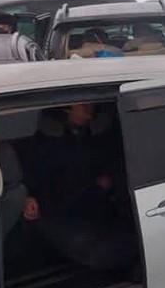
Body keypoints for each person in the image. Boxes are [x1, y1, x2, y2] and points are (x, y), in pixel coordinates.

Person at [23, 103, 136, 271]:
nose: (89, 113)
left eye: (91, 108)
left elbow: (110, 167)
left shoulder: (96, 137)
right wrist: (28, 196)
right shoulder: (43, 142)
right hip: (54, 207)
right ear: (65, 109)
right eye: (83, 107)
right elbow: (33, 177)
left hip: (93, 202)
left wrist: (102, 184)